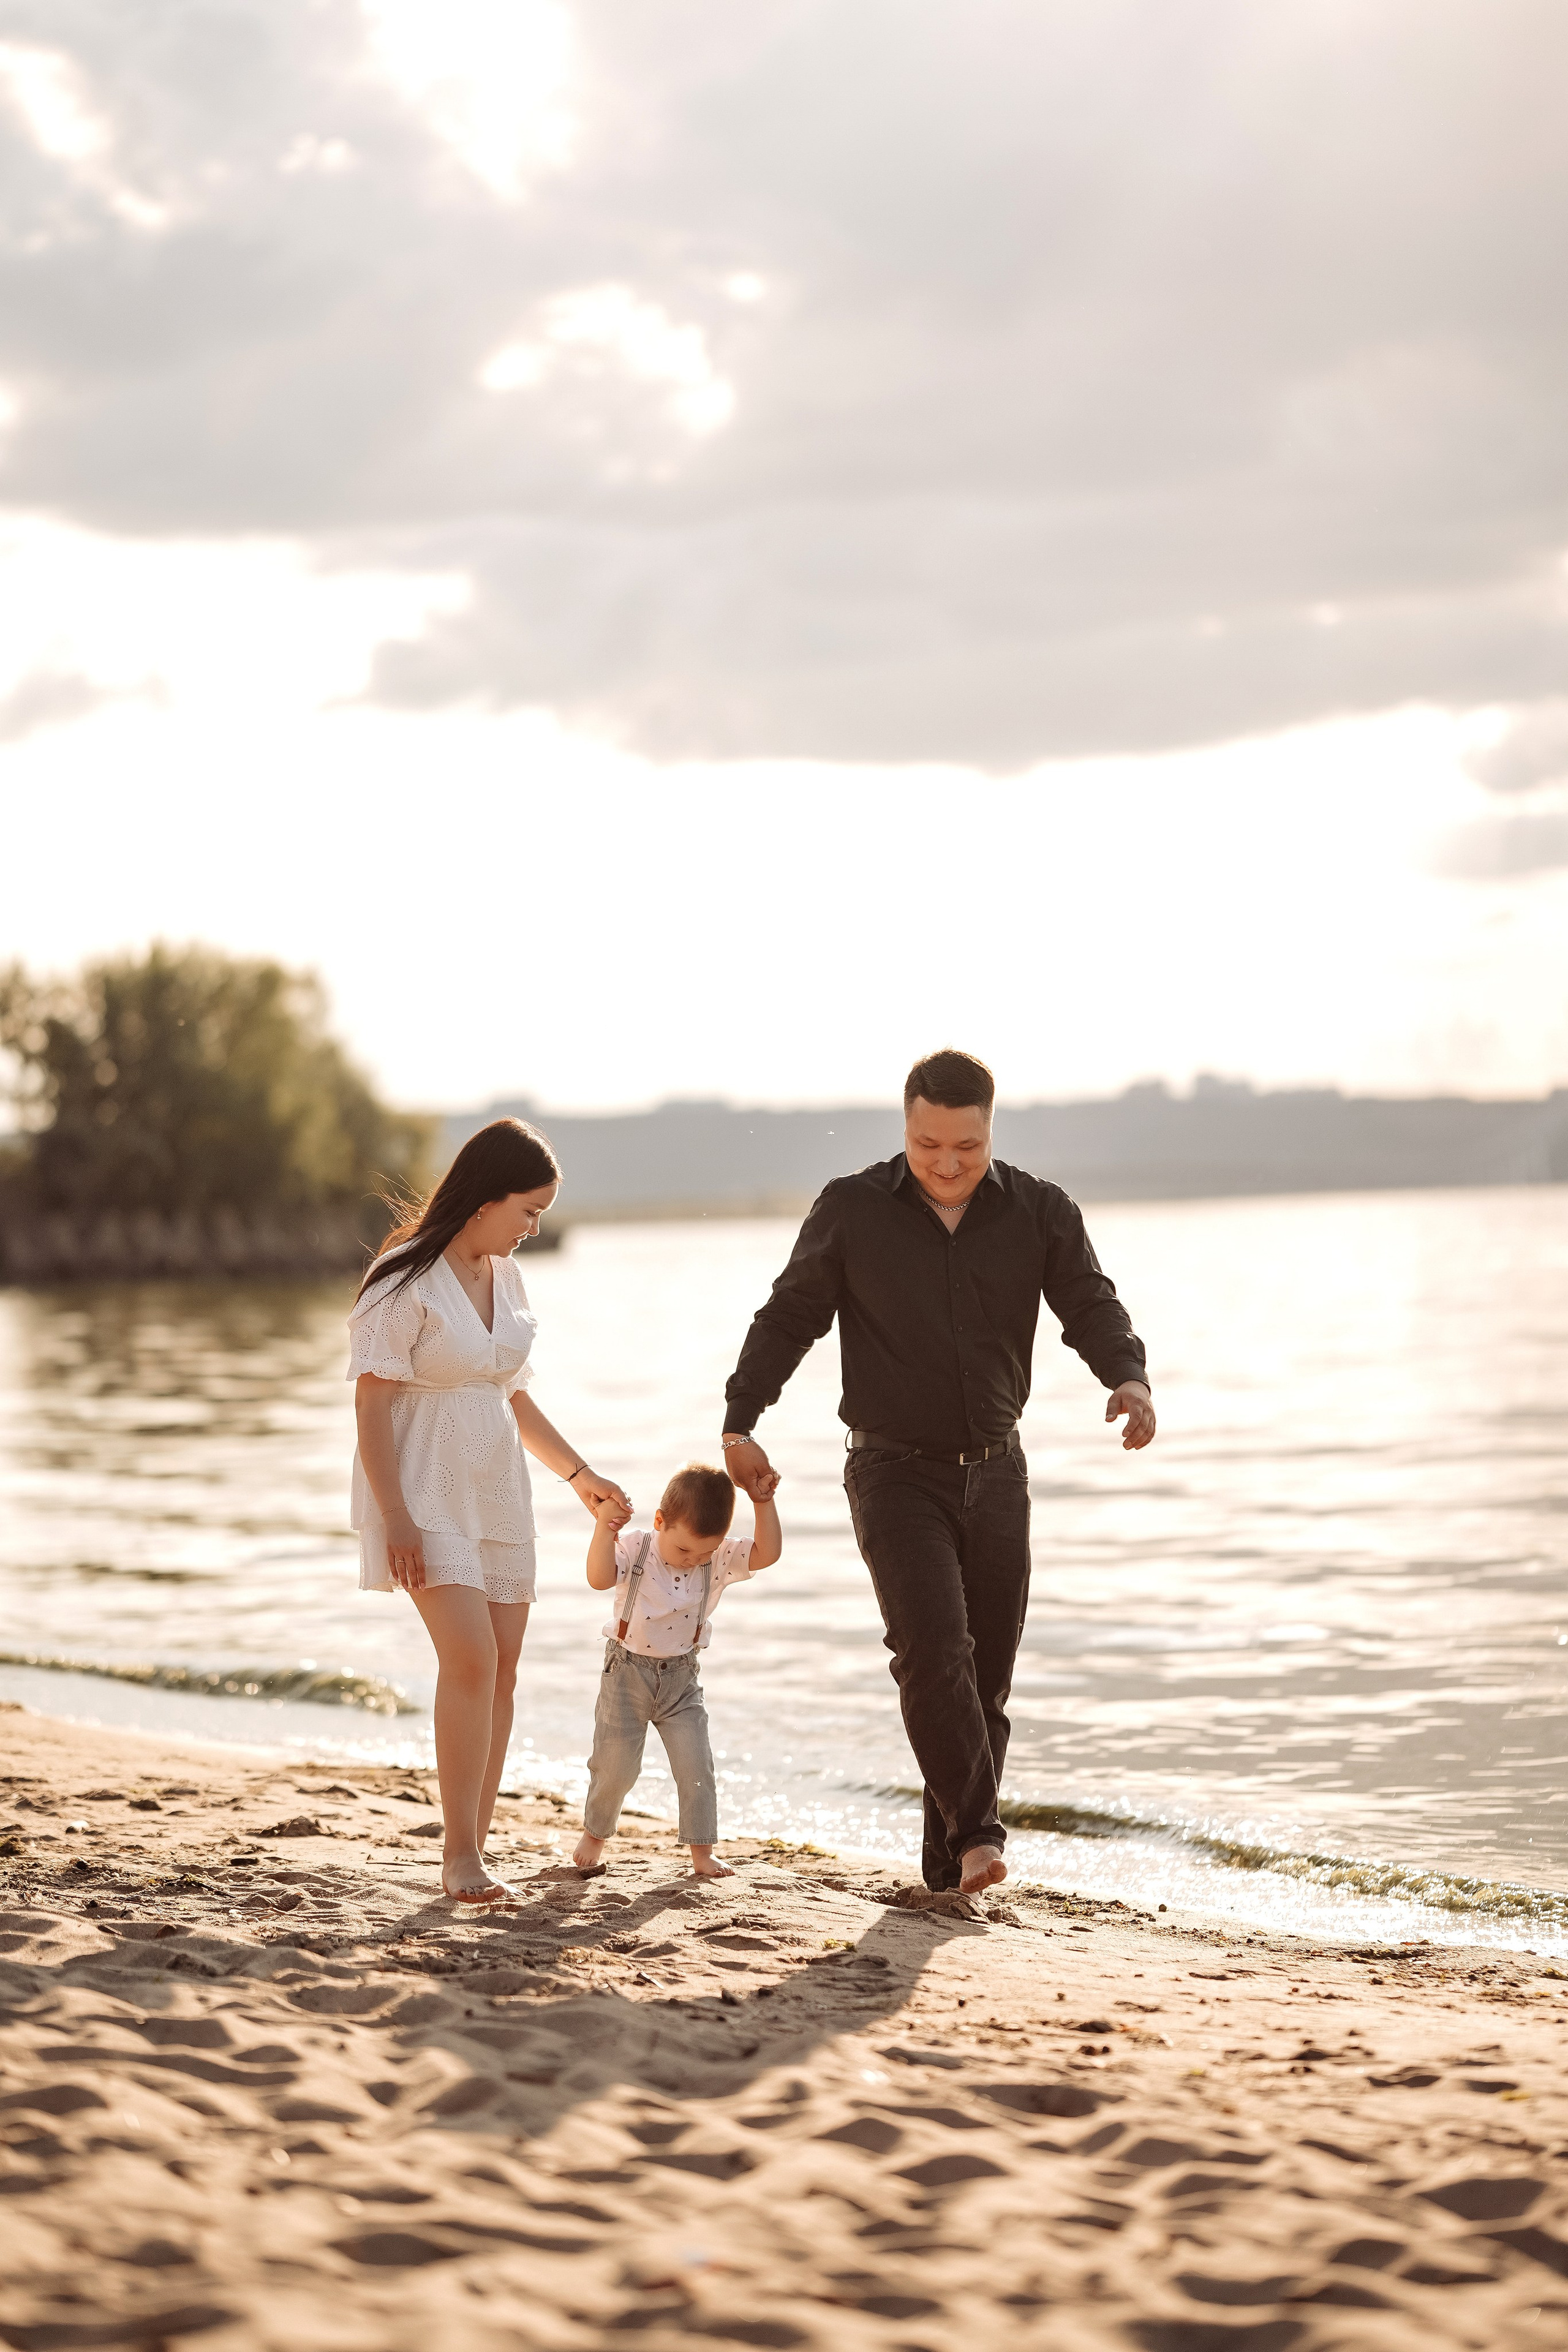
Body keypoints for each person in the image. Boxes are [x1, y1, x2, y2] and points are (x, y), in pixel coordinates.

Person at [720, 1049, 1155, 1898]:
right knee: (932, 1653)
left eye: (967, 1146)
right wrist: (741, 1419)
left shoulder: (1040, 1211)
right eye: (929, 1147)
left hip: (999, 1474)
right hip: (893, 1472)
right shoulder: (852, 1209)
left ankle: (949, 1870)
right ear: (905, 1127)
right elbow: (790, 1316)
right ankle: (984, 1837)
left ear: (991, 1130)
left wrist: (1128, 1377)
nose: (948, 1165)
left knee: (984, 1682)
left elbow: (1089, 1301)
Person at [349, 1117, 630, 1905]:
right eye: (528, 1210)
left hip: (499, 1487)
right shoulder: (402, 1275)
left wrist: (580, 1477)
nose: (535, 1227)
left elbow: (511, 1395)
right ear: (484, 1198)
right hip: (421, 1490)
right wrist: (395, 1515)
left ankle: (475, 1841)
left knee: (502, 1671)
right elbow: (372, 1405)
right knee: (469, 1658)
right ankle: (459, 1854)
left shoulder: (506, 1279)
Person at [572, 1461, 782, 1881]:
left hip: (683, 1680)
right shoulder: (636, 1547)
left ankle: (702, 1851)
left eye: (704, 1553)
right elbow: (598, 1579)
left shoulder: (718, 1557)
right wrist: (603, 1529)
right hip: (627, 1672)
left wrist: (764, 1503)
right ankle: (596, 1833)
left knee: (695, 1765)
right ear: (660, 1522)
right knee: (615, 1765)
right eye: (685, 1550)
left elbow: (768, 1553)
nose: (693, 1561)